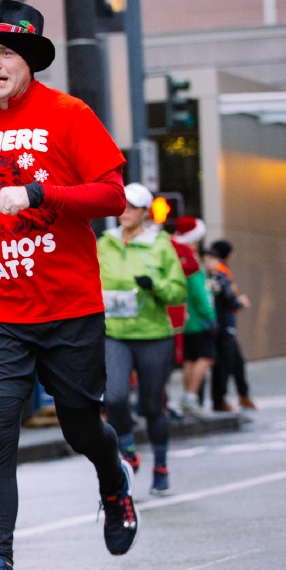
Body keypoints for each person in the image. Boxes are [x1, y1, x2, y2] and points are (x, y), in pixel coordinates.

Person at [0, 0, 137, 570]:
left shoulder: (68, 114)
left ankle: (113, 477)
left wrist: (41, 191)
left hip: (67, 303)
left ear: (29, 61)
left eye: (5, 54)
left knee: (80, 426)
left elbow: (111, 194)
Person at [98, 183, 186, 497]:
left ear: (145, 212)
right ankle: (128, 451)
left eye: (133, 207)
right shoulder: (104, 243)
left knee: (151, 405)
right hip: (115, 334)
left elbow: (178, 292)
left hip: (153, 335)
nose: (126, 211)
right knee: (116, 398)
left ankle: (161, 466)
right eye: (122, 205)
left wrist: (156, 285)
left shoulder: (160, 245)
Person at [170, 217, 216, 420]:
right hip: (198, 319)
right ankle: (190, 397)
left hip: (182, 318)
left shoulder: (174, 255)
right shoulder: (191, 258)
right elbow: (199, 292)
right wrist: (210, 316)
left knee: (189, 359)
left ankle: (188, 397)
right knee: (206, 357)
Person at [205, 240, 254, 411]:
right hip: (223, 325)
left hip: (222, 325)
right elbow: (227, 300)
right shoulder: (219, 274)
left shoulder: (217, 274)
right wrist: (239, 302)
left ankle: (242, 396)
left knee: (235, 362)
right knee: (224, 364)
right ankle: (220, 401)